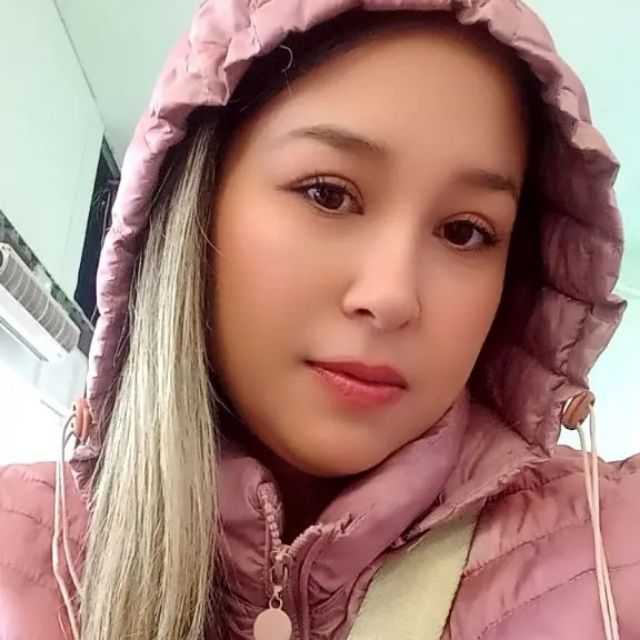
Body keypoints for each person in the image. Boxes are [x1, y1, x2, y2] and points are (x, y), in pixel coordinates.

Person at [0, 1, 638, 639]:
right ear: (197, 202)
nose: (392, 297)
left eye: (464, 231)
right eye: (328, 194)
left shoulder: (611, 549)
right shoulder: (22, 547)